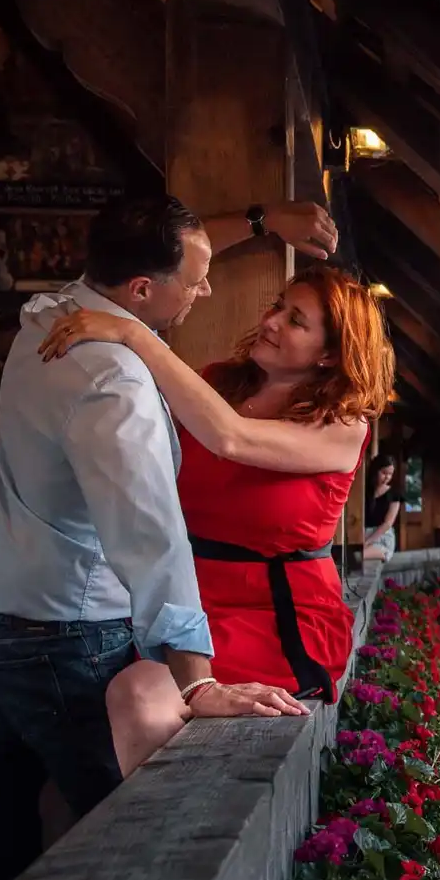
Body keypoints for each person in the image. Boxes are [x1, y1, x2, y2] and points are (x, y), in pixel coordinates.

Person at [0, 194, 332, 880]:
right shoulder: (113, 385)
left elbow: (153, 273)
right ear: (143, 289)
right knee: (141, 852)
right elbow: (149, 537)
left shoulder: (47, 316)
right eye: (196, 279)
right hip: (64, 642)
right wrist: (198, 677)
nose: (208, 291)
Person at [41, 263, 395, 774]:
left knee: (139, 692)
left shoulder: (341, 425)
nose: (272, 321)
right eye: (278, 306)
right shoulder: (215, 384)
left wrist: (131, 332)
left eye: (296, 320)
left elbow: (230, 438)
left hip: (277, 616)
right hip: (184, 599)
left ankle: (157, 842)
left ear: (330, 354)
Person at [363, 453, 401, 561]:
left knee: (359, 555)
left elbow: (388, 523)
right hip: (363, 534)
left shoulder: (394, 493)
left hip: (382, 537)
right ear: (375, 470)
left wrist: (368, 541)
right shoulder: (364, 491)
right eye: (384, 473)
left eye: (390, 474)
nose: (387, 477)